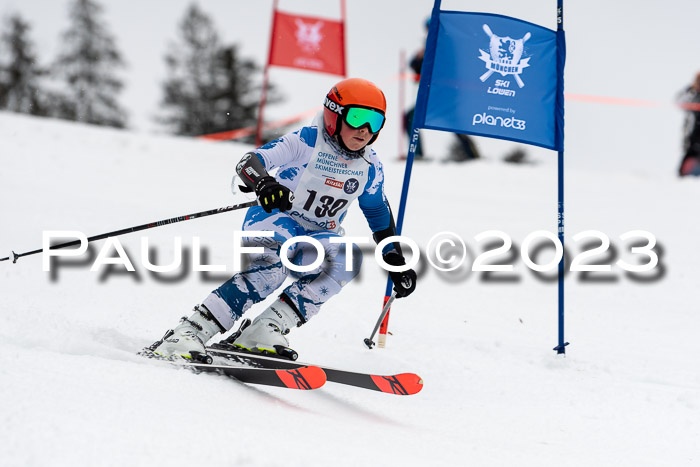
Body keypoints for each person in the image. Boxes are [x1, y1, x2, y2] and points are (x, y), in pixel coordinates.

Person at [145, 78, 418, 361]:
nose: (365, 129)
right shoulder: (306, 141)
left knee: (346, 260)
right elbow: (248, 163)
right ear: (334, 115)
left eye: (375, 121)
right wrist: (264, 183)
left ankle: (264, 329)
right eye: (357, 117)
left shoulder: (370, 166)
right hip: (275, 219)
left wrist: (394, 257)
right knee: (269, 272)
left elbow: (377, 213)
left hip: (317, 235)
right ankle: (188, 333)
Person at [404, 19, 480, 162]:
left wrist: (421, 59)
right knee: (413, 118)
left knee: (453, 123)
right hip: (434, 94)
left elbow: (439, 65)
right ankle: (417, 154)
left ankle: (474, 157)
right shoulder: (430, 45)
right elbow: (417, 66)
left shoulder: (445, 44)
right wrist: (418, 60)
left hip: (444, 93)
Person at [678, 71, 700, 176]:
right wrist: (692, 89)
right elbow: (679, 101)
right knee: (683, 175)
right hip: (693, 145)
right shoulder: (693, 96)